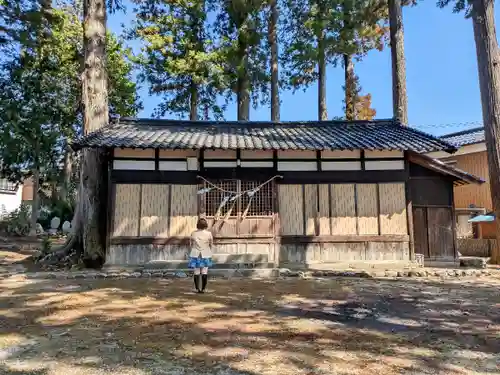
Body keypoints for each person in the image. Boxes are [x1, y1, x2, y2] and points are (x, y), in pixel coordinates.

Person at [188, 217, 213, 293]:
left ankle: (197, 288)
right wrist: (209, 250)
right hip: (205, 253)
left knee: (196, 272)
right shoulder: (209, 234)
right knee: (204, 272)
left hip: (195, 254)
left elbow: (190, 244)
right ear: (206, 225)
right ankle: (203, 288)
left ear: (197, 225)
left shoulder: (193, 233)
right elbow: (211, 244)